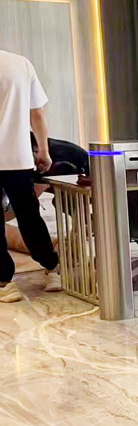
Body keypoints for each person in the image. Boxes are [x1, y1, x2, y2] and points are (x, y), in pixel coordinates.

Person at [0, 49, 61, 303]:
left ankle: (4, 282)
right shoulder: (20, 64)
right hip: (18, 157)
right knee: (30, 217)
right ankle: (52, 268)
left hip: (17, 157)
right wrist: (43, 150)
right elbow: (37, 113)